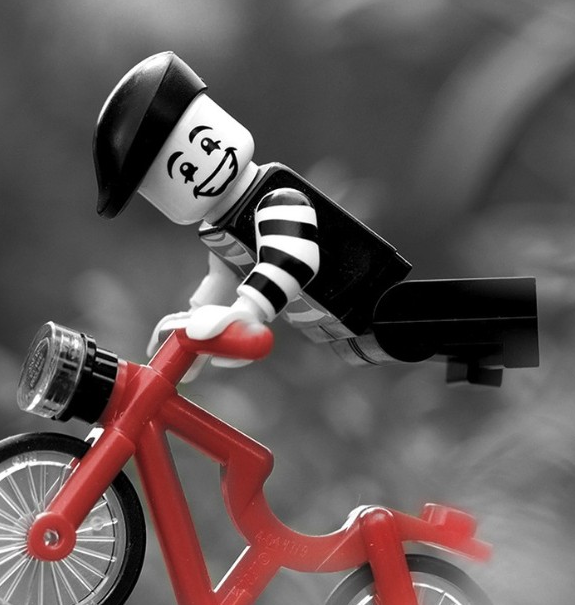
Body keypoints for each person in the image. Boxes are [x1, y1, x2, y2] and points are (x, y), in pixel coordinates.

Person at [93, 52, 538, 385]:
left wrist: (248, 311)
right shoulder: (219, 232)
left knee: (473, 329)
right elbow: (220, 281)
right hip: (348, 331)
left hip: (375, 301)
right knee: (466, 350)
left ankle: (545, 339)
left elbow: (291, 257)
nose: (202, 165)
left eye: (205, 144)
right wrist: (194, 329)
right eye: (183, 169)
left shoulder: (276, 197)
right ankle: (534, 362)